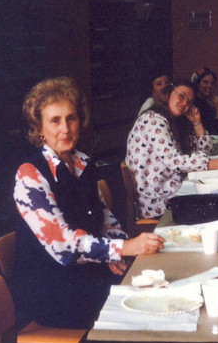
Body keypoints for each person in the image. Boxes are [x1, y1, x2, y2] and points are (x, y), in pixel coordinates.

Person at [12, 77, 165, 329]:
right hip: (52, 292)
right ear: (39, 128)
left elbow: (105, 220)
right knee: (148, 306)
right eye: (55, 120)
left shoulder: (82, 163)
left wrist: (115, 254)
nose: (65, 129)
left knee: (158, 288)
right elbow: (64, 246)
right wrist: (123, 248)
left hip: (86, 276)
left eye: (71, 118)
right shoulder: (30, 174)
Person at [127, 79, 218, 218]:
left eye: (190, 101)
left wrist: (197, 123)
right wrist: (211, 164)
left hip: (172, 189)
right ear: (169, 92)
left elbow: (205, 152)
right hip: (156, 200)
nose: (185, 103)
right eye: (182, 96)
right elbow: (173, 161)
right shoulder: (153, 120)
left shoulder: (174, 121)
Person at [191, 67, 218, 134]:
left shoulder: (208, 100)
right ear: (197, 83)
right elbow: (213, 131)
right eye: (205, 82)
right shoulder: (194, 102)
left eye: (212, 83)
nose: (209, 86)